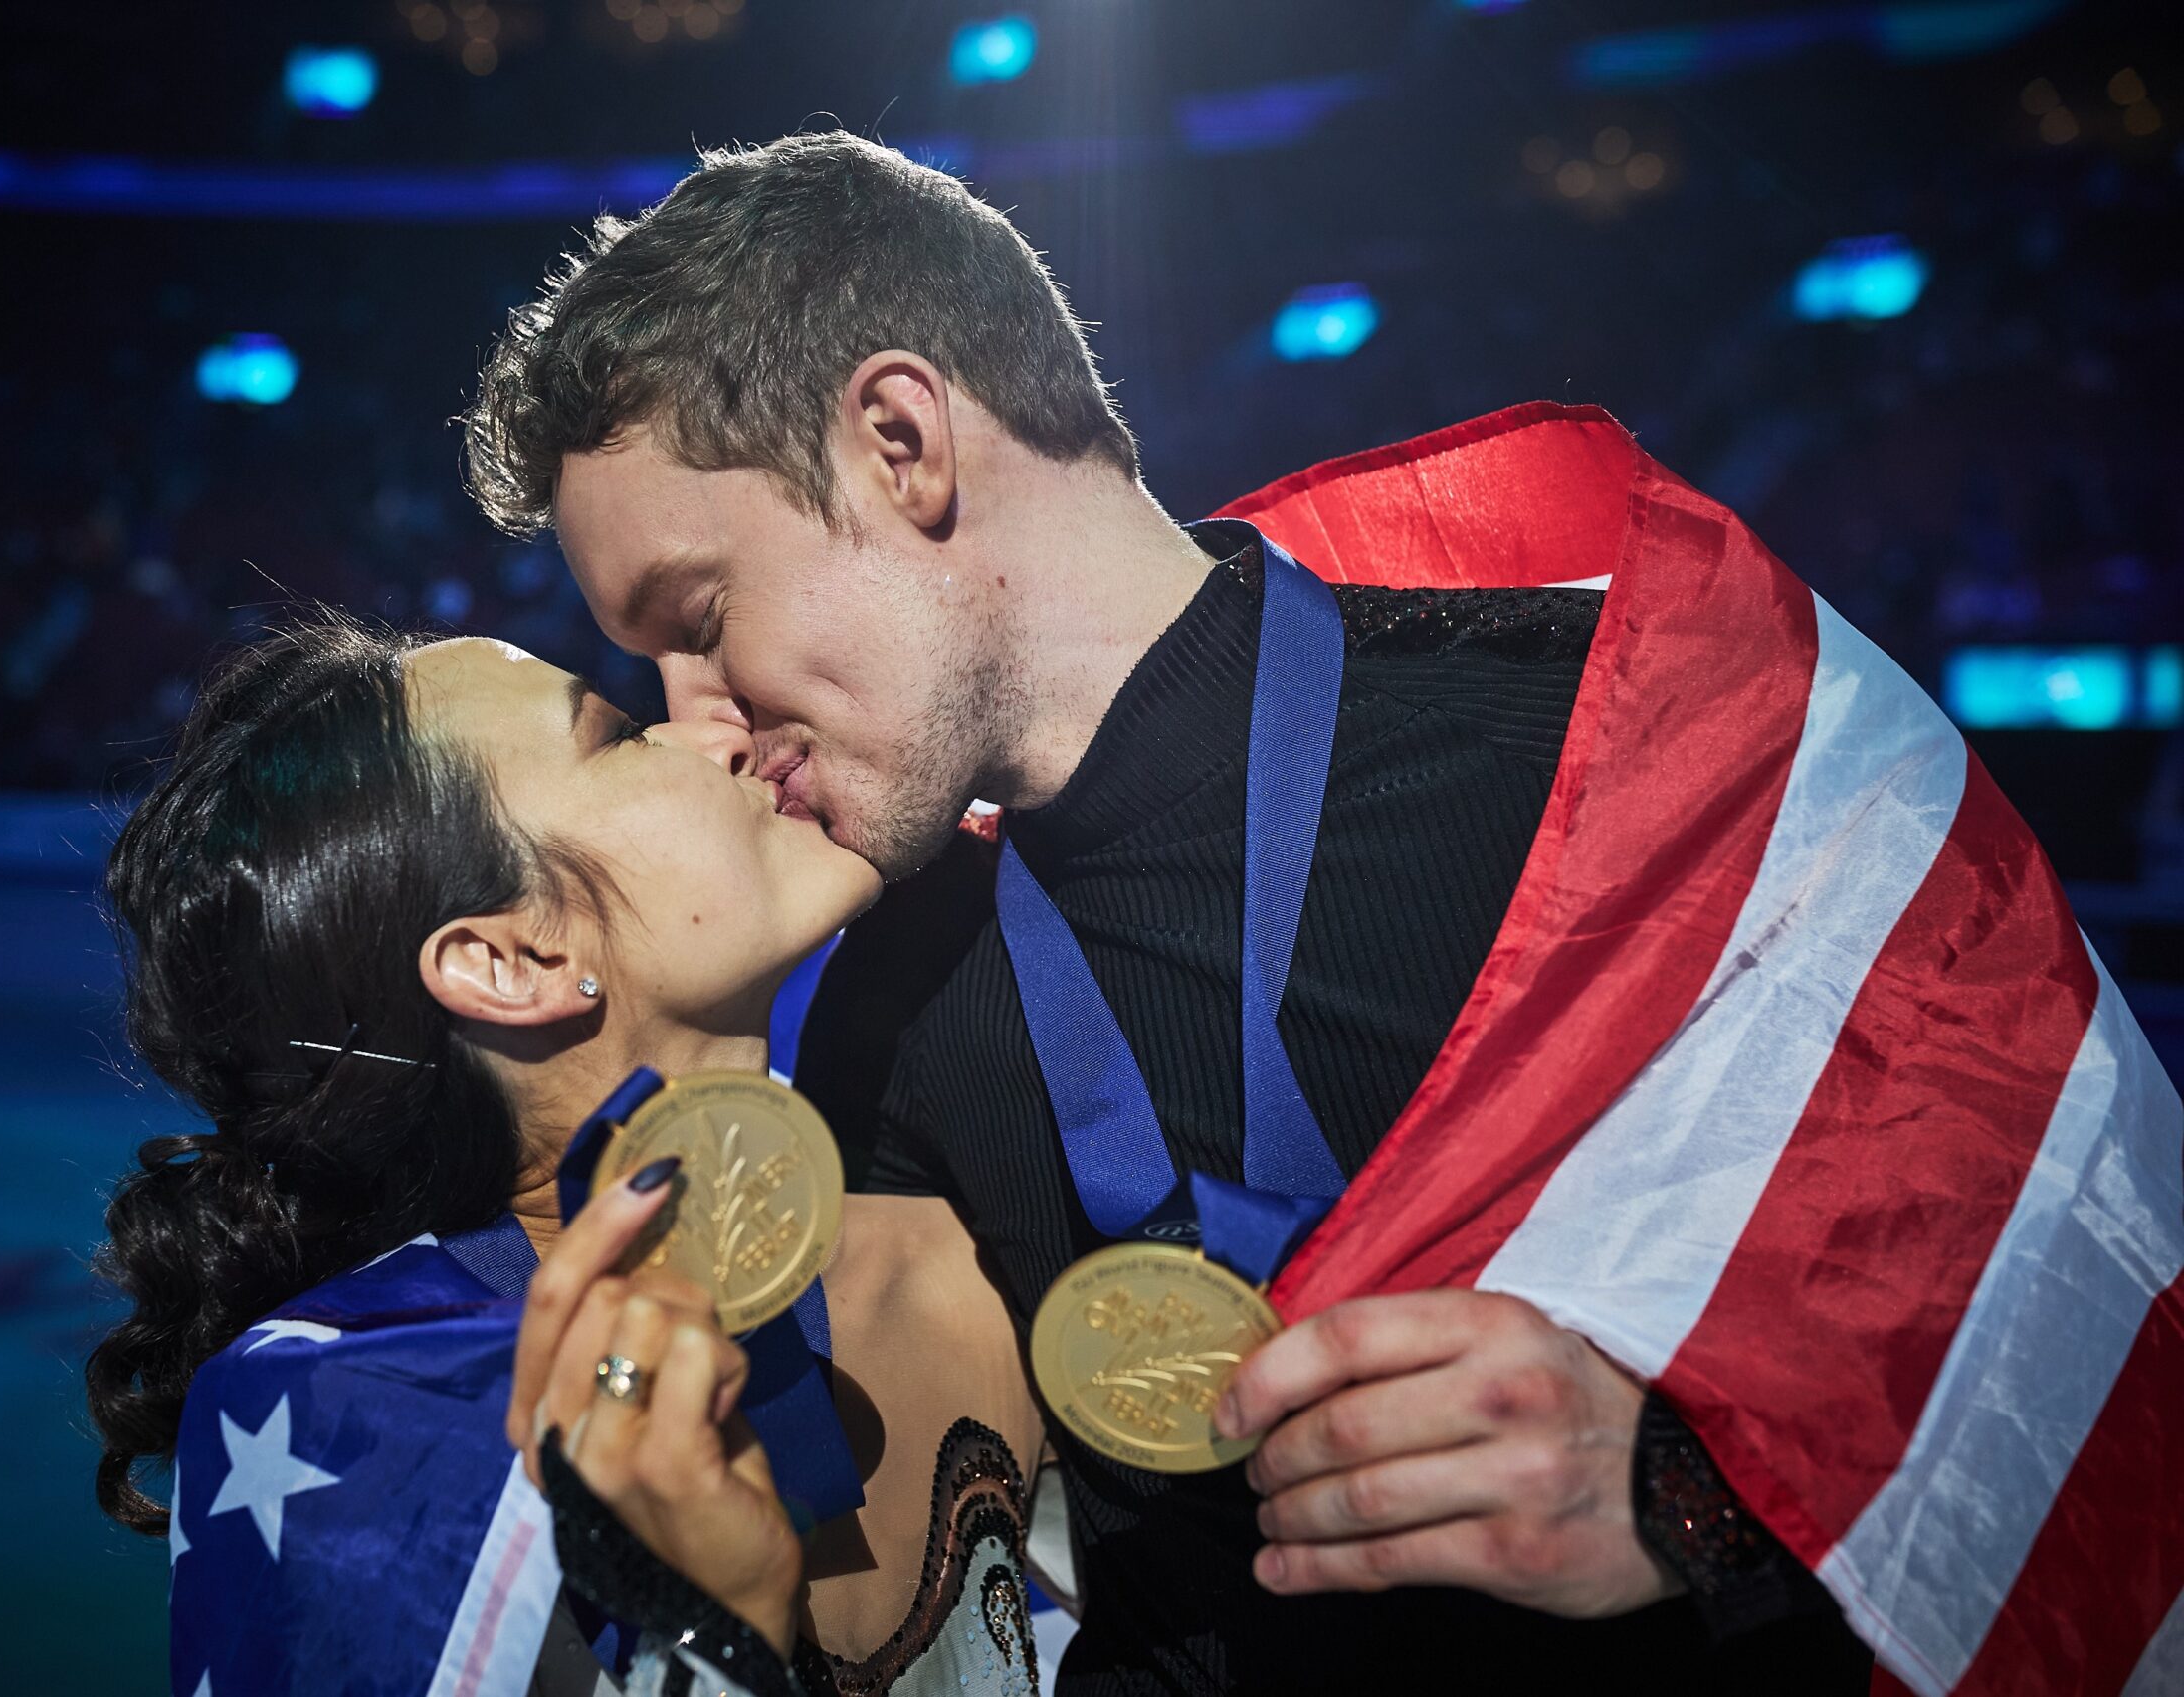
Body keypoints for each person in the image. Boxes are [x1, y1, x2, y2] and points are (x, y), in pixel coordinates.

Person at [460, 130, 2180, 1696]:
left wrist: (1699, 1501)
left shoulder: (1634, 729)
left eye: (698, 611)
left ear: (901, 442)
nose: (694, 709)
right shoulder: (892, 1008)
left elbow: (2096, 1315)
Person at [85, 618, 1045, 1696]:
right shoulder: (354, 1429)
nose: (712, 735)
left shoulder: (988, 1244)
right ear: (511, 959)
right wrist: (707, 1635)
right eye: (624, 735)